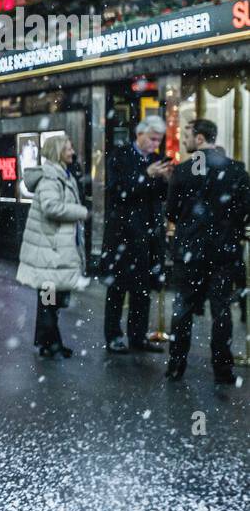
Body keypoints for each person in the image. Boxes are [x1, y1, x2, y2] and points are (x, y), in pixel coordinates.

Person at [164, 118, 250, 384]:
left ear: (200, 138)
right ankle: (222, 368)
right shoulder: (237, 170)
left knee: (183, 309)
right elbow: (245, 211)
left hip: (190, 251)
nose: (185, 140)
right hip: (223, 252)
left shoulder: (183, 171)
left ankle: (176, 365)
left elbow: (172, 212)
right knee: (221, 310)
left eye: (187, 135)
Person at [101, 116, 171, 353]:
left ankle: (138, 336)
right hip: (122, 235)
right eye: (152, 139)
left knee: (143, 291)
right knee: (118, 290)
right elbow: (117, 191)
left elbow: (161, 197)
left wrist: (165, 180)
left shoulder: (156, 159)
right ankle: (113, 336)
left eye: (158, 140)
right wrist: (146, 175)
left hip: (149, 235)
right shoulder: (119, 156)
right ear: (139, 134)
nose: (154, 144)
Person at [16, 134, 90, 359]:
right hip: (48, 254)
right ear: (58, 152)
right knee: (49, 301)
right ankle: (52, 344)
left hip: (54, 252)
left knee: (50, 301)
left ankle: (46, 342)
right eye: (68, 149)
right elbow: (51, 208)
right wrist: (81, 212)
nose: (72, 152)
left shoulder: (61, 176)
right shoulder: (51, 179)